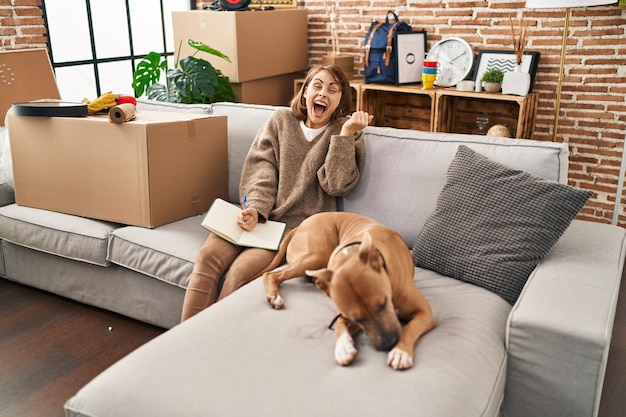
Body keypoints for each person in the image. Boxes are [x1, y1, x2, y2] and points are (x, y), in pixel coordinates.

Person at [180, 65, 372, 322]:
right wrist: (255, 209)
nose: (323, 93)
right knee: (207, 257)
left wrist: (346, 134)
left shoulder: (346, 134)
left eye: (333, 89)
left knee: (239, 272)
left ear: (340, 101)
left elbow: (335, 185)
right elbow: (261, 168)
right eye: (317, 85)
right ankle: (186, 340)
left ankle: (215, 341)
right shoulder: (280, 121)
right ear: (304, 92)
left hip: (291, 230)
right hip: (255, 215)